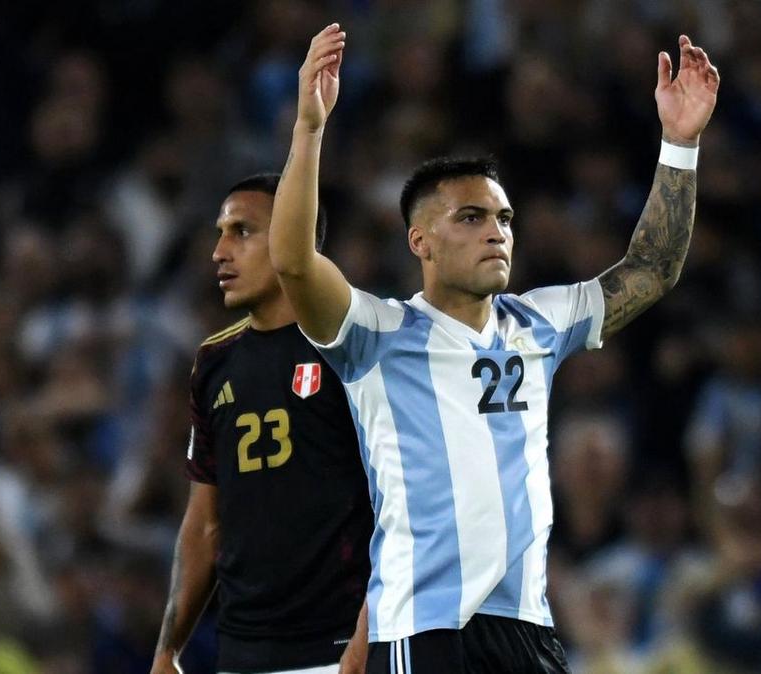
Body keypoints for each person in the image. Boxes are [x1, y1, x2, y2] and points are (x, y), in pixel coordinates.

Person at [268, 22, 718, 673]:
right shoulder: (378, 334)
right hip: (428, 630)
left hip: (529, 631)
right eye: (472, 218)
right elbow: (293, 264)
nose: (497, 233)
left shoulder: (539, 323)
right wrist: (309, 129)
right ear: (419, 241)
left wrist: (679, 145)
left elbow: (651, 269)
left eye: (504, 218)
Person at [150, 174, 373, 674]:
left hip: (340, 650)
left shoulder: (357, 346)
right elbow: (205, 521)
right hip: (242, 654)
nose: (219, 252)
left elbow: (404, 504)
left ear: (294, 236)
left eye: (242, 231)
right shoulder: (213, 361)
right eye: (220, 232)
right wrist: (169, 648)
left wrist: (366, 639)